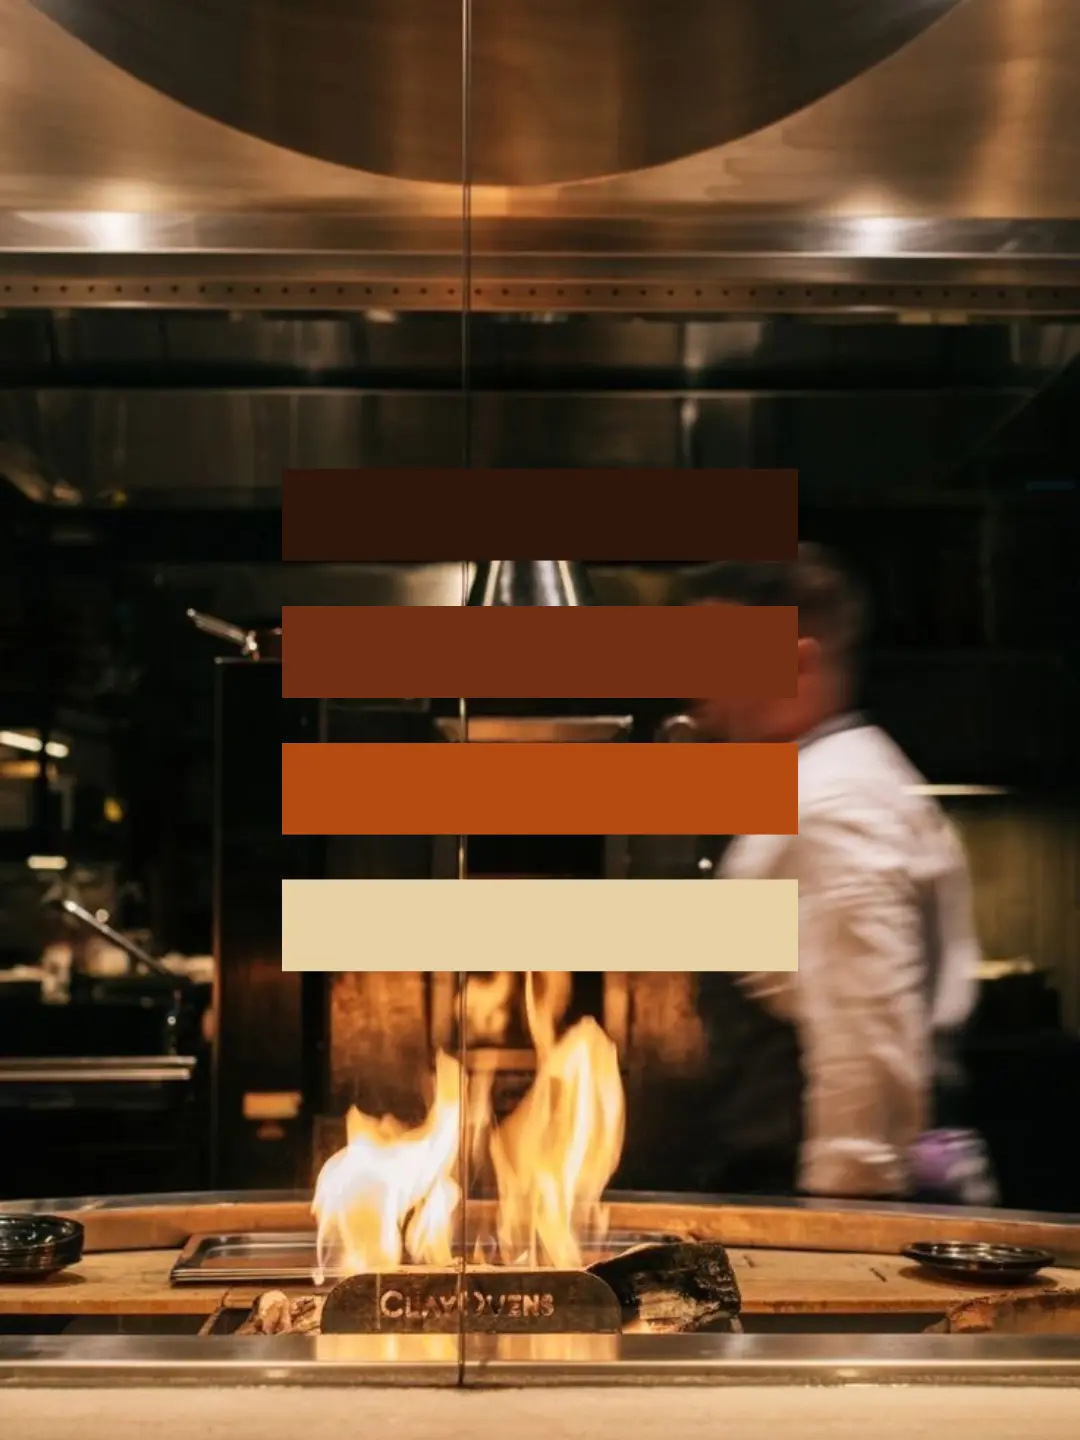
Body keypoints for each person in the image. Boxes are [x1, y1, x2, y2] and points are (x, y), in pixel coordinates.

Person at [686, 545, 995, 1203]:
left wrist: (844, 1226)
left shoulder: (832, 807)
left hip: (833, 1195)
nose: (700, 696)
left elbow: (866, 1049)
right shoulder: (826, 782)